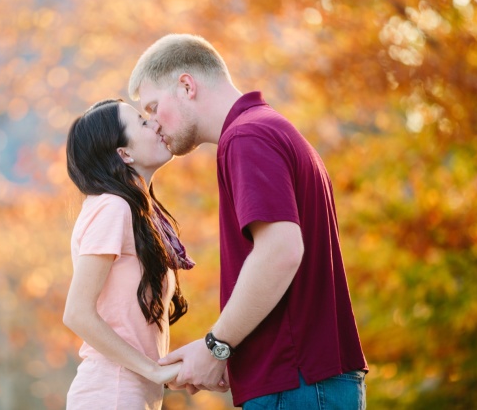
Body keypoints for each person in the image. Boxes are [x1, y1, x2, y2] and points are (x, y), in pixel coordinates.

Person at [127, 34, 368, 409]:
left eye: (154, 107)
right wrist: (235, 352)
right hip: (303, 380)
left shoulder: (247, 136)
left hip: (297, 385)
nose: (154, 124)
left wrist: (216, 345)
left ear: (186, 85)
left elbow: (281, 251)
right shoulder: (267, 128)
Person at [63, 99, 200, 410]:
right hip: (111, 392)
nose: (155, 124)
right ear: (123, 154)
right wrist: (155, 369)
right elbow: (77, 312)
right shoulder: (113, 207)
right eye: (141, 122)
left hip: (129, 393)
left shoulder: (136, 213)